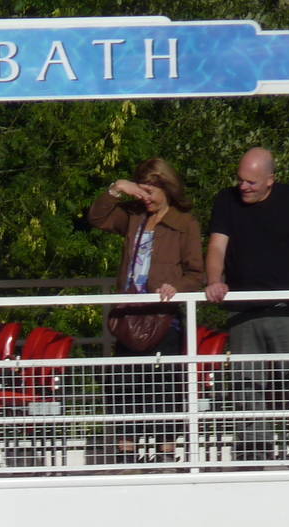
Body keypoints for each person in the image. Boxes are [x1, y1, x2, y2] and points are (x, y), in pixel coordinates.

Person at [204, 147, 289, 464]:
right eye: (240, 180)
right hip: (244, 310)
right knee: (246, 385)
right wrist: (214, 280)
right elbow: (216, 246)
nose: (244, 187)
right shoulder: (226, 201)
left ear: (271, 180)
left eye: (251, 182)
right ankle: (254, 453)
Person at [87, 158, 204, 462]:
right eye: (143, 192)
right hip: (129, 314)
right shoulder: (134, 217)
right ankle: (127, 456)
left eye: (151, 192)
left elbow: (197, 274)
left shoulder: (185, 223)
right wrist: (116, 189)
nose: (147, 199)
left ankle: (166, 456)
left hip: (163, 318)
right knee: (124, 385)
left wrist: (175, 286)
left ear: (167, 188)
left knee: (163, 387)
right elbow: (97, 218)